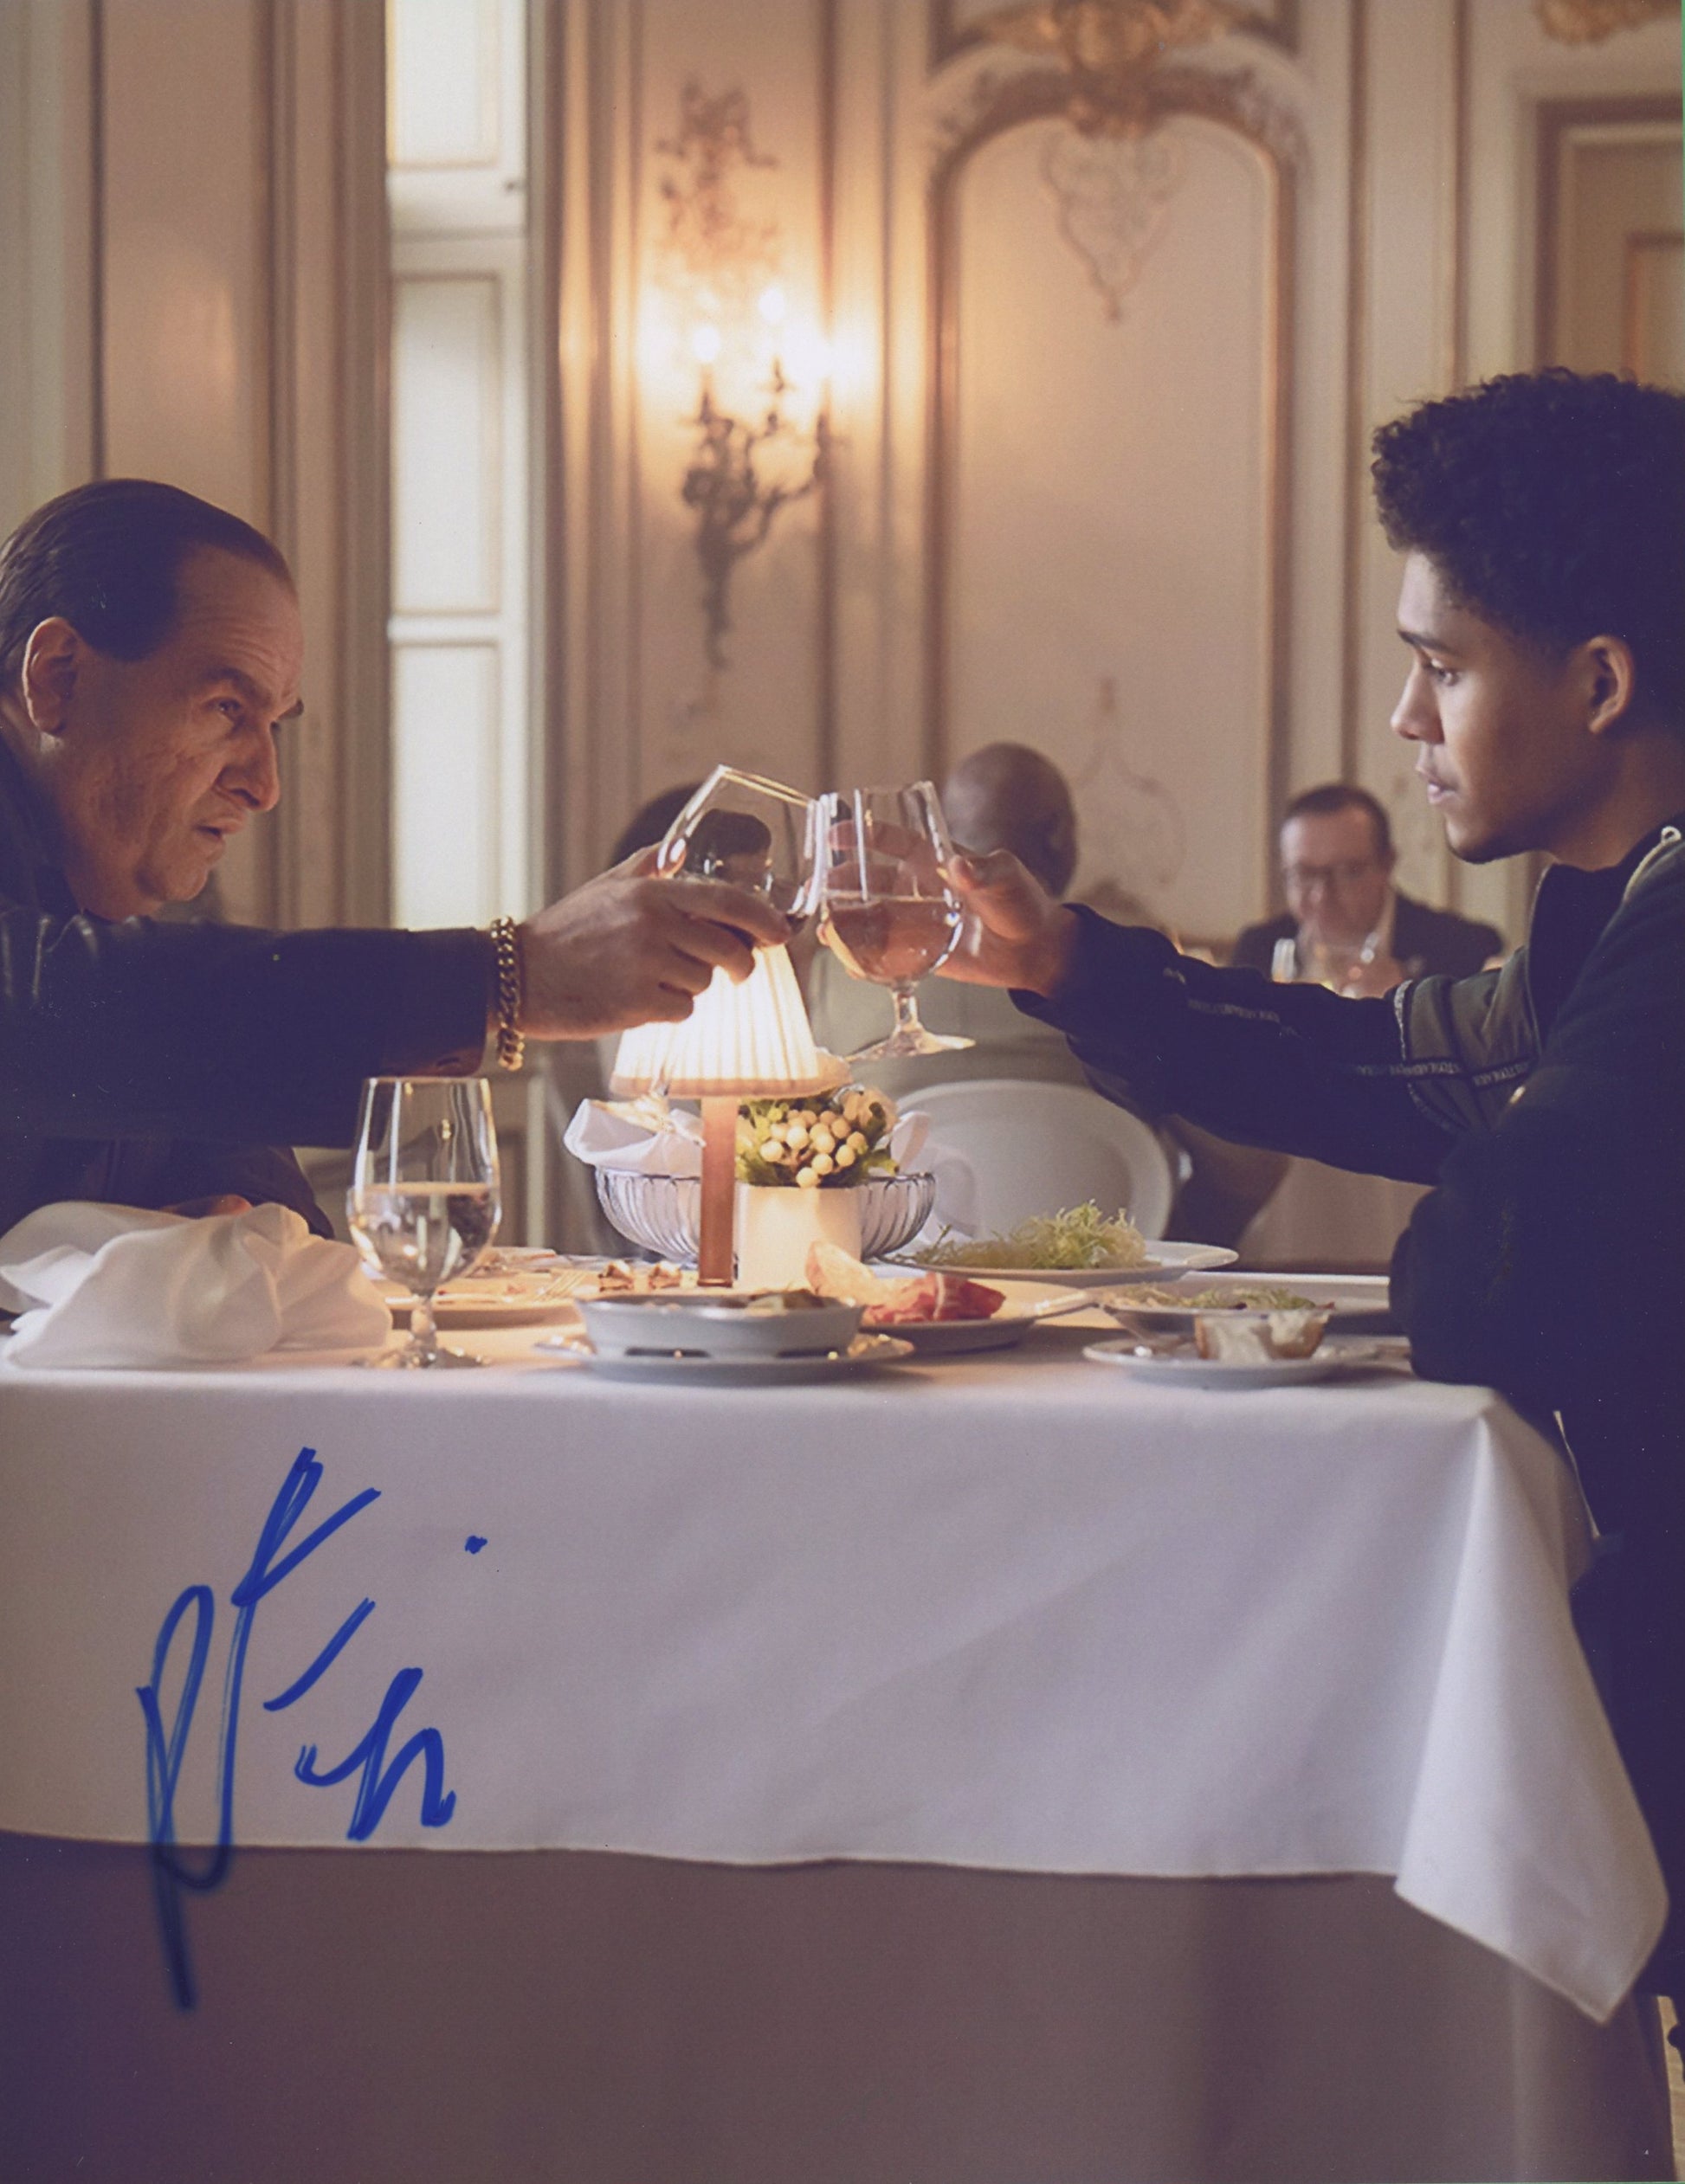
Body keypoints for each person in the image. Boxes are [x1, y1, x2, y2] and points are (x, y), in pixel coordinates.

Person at [931, 370, 1685, 2003]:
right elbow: (1396, 1063)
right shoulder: (1610, 899)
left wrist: (1481, 1207)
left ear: (1600, 681)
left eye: (1442, 666)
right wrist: (1065, 961)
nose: (1407, 718)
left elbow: (1493, 1270)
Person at [0, 480, 784, 1239]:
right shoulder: (83, 962)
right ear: (57, 676)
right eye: (226, 708)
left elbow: (257, 1195)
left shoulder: (127, 897)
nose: (265, 786)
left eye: (274, 724)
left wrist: (244, 1234)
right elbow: (51, 1013)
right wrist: (511, 973)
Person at [806, 742, 1092, 1098]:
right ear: (1058, 833)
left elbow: (818, 1095)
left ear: (943, 832)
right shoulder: (1118, 954)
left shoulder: (834, 965)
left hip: (897, 1134)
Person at [1231, 782, 1500, 992]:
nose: (1321, 895)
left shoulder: (1461, 947)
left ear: (1387, 865)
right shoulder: (1258, 950)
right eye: (1304, 874)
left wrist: (1408, 998)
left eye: (1346, 873)